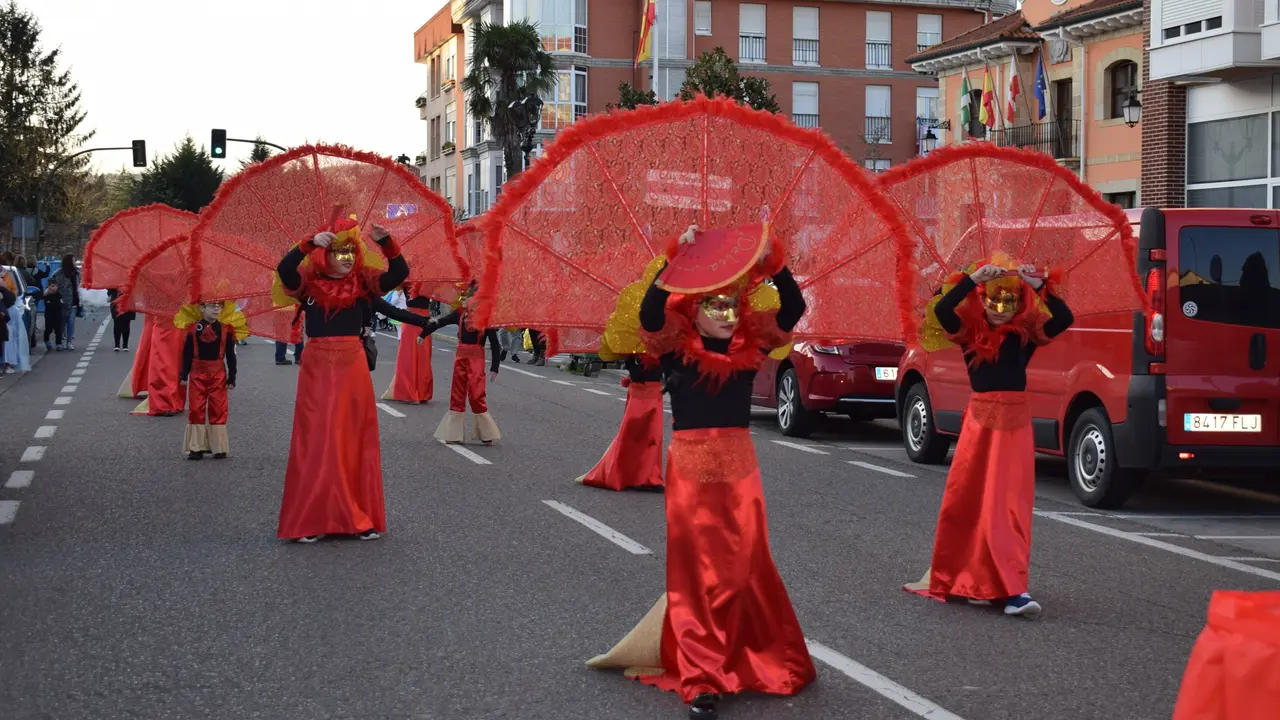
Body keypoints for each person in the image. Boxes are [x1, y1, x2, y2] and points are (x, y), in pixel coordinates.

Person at [586, 225, 814, 719]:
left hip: (740, 476)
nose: (728, 315)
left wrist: (774, 264)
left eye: (734, 306)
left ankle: (748, 654)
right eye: (715, 307)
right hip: (689, 473)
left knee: (744, 568)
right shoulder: (673, 348)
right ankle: (702, 676)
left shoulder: (751, 348)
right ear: (695, 311)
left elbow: (793, 309)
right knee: (694, 575)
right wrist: (678, 259)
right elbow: (651, 311)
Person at [904, 254, 1073, 618]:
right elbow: (943, 309)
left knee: (1009, 508)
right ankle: (975, 579)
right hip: (980, 429)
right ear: (982, 301)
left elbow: (1064, 319)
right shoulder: (969, 335)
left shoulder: (1024, 336)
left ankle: (1012, 590)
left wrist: (1039, 286)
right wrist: (971, 277)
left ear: (1017, 306)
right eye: (993, 301)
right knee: (970, 505)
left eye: (1007, 302)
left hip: (1015, 429)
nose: (1000, 309)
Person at [274, 214, 427, 543]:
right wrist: (309, 242)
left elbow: (399, 273)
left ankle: (356, 515)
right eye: (337, 252)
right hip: (317, 367)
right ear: (324, 255)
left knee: (354, 438)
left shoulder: (363, 281)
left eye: (350, 252)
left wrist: (386, 242)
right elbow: (284, 270)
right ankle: (311, 517)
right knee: (317, 439)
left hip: (352, 366)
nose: (345, 259)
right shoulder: (308, 282)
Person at [421, 281, 501, 445]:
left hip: (476, 359)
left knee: (477, 394)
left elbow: (494, 343)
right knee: (457, 394)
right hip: (460, 357)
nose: (462, 300)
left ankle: (485, 433)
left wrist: (495, 367)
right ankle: (453, 433)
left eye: (466, 297)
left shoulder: (485, 318)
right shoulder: (459, 314)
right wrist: (423, 333)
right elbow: (440, 322)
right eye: (462, 297)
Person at [577, 353, 665, 492]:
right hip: (640, 390)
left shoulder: (663, 339)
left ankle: (648, 478)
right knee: (631, 434)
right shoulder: (631, 341)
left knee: (653, 436)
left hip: (654, 389)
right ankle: (625, 474)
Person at [177, 301, 247, 459]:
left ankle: (218, 447)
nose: (216, 308)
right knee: (196, 409)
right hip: (196, 374)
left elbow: (230, 355)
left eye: (219, 306)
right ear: (202, 308)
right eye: (212, 305)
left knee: (218, 408)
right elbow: (187, 354)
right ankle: (196, 447)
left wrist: (232, 377)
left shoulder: (226, 329)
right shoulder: (192, 329)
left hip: (218, 375)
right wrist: (183, 375)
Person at [381, 285, 434, 404]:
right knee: (417, 357)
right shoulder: (427, 280)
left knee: (415, 357)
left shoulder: (411, 280)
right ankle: (418, 392)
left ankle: (415, 392)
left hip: (416, 320)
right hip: (417, 319)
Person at [51, 255, 81, 351]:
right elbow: (52, 284)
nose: (75, 262)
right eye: (73, 260)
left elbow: (79, 285)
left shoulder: (76, 273)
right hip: (62, 302)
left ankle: (69, 342)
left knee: (71, 322)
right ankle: (59, 342)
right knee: (61, 323)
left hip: (73, 302)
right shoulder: (59, 273)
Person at [42, 279, 64, 351]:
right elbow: (48, 305)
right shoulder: (46, 295)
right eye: (52, 286)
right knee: (48, 329)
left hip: (58, 315)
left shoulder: (59, 294)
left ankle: (58, 343)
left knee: (58, 330)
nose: (54, 288)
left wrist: (53, 303)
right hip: (49, 315)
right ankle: (46, 340)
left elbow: (60, 304)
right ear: (48, 287)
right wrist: (52, 303)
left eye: (55, 286)